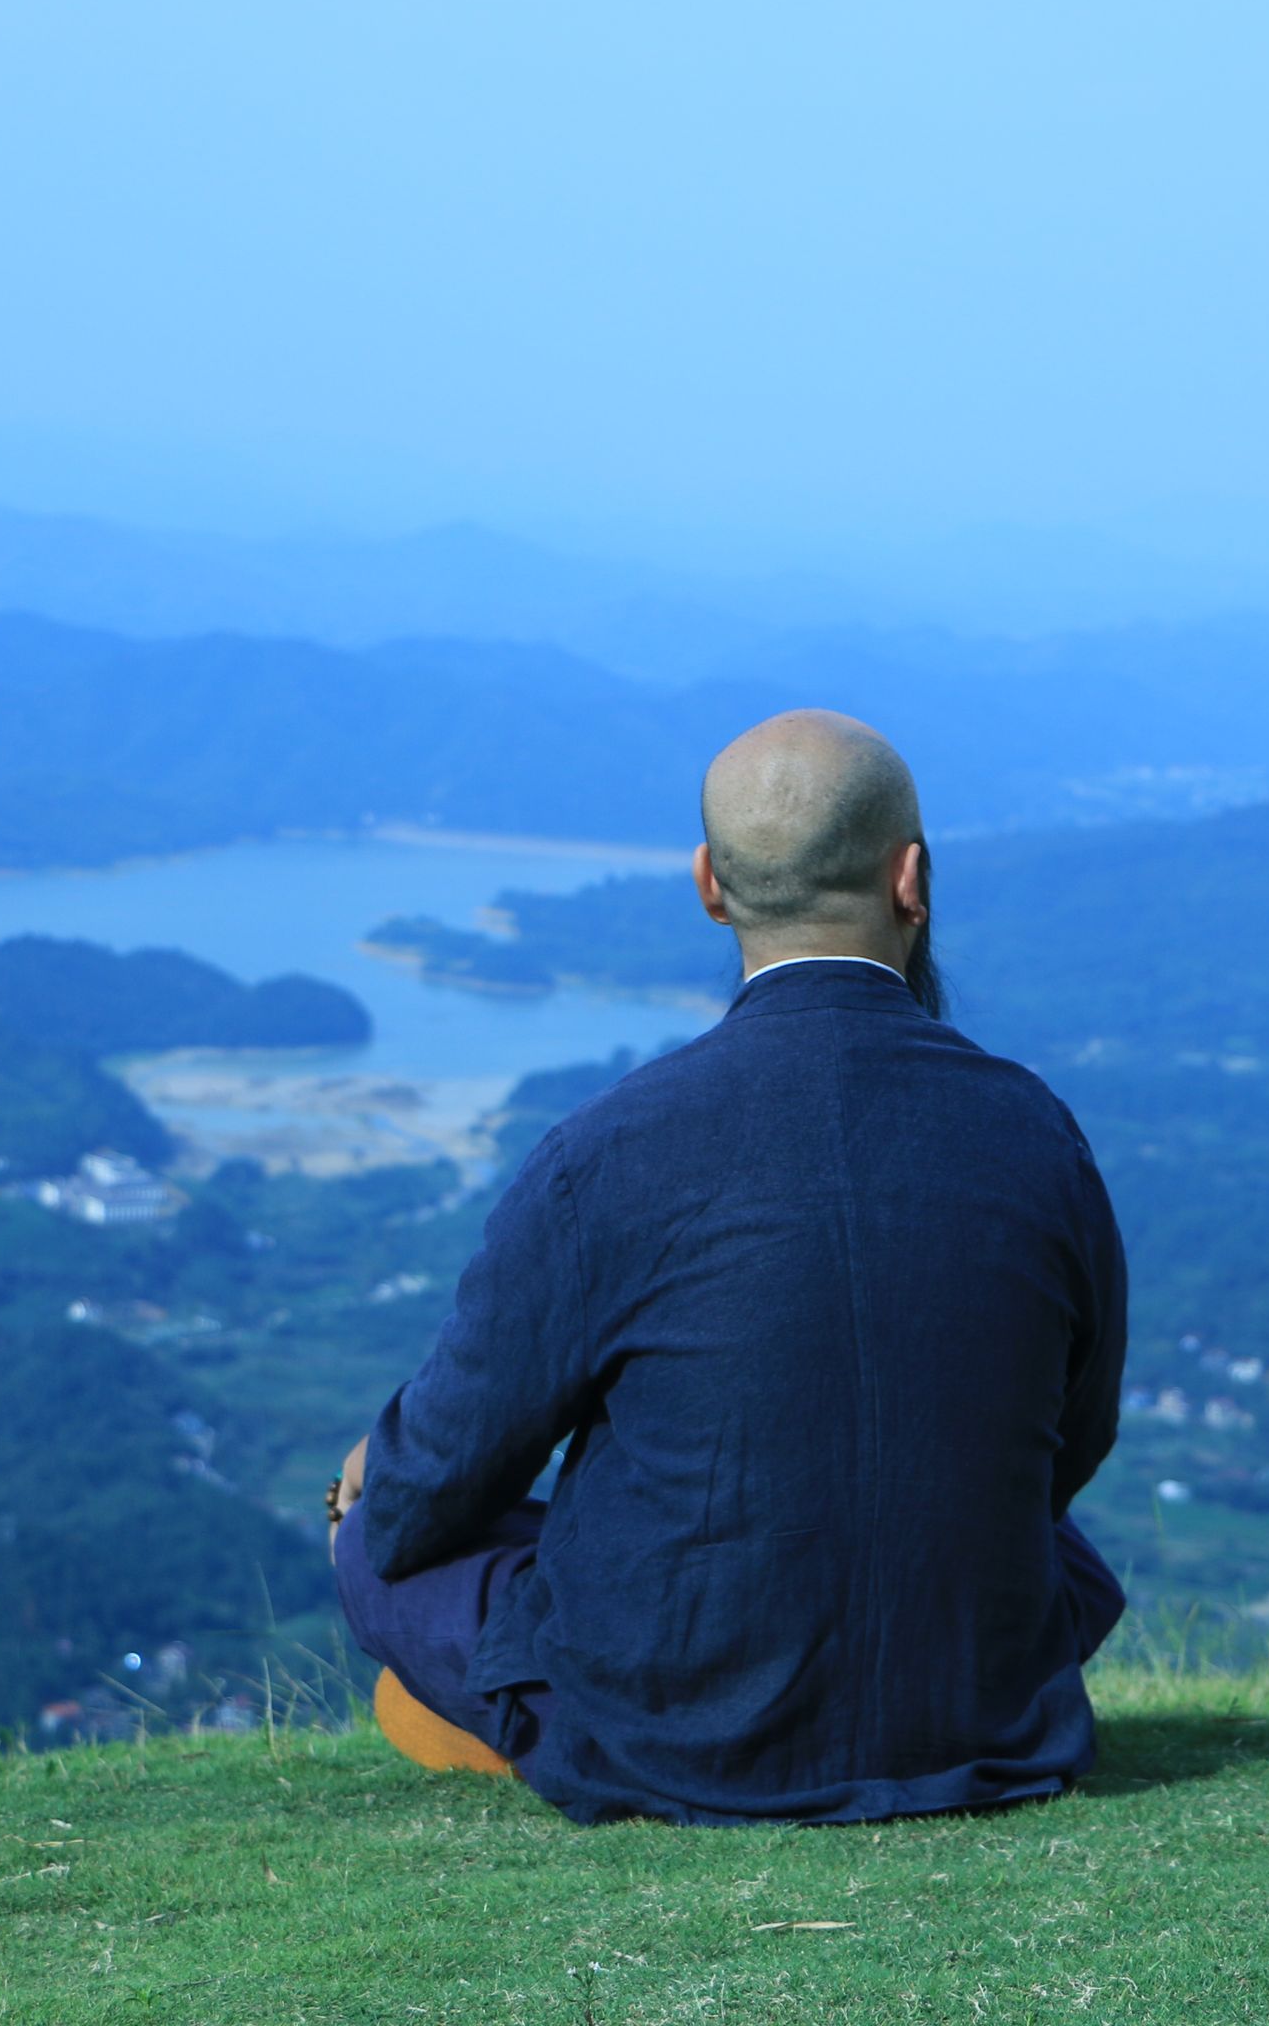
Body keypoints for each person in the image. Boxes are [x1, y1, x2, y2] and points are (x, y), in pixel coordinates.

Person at [326, 708, 1128, 1825]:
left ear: (709, 883)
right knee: (1044, 1543)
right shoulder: (1037, 1133)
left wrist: (378, 1468)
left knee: (373, 1537)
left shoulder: (611, 1148)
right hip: (977, 1714)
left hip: (678, 1736)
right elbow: (1070, 1449)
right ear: (913, 880)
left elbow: (442, 1481)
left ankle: (513, 1722)